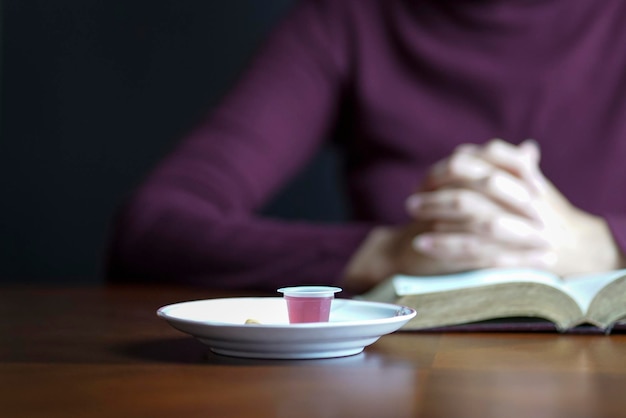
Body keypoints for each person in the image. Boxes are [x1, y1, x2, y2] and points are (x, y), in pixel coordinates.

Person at [106, 0, 626, 294]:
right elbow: (153, 228)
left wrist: (598, 244)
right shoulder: (347, 20)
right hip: (393, 383)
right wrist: (388, 253)